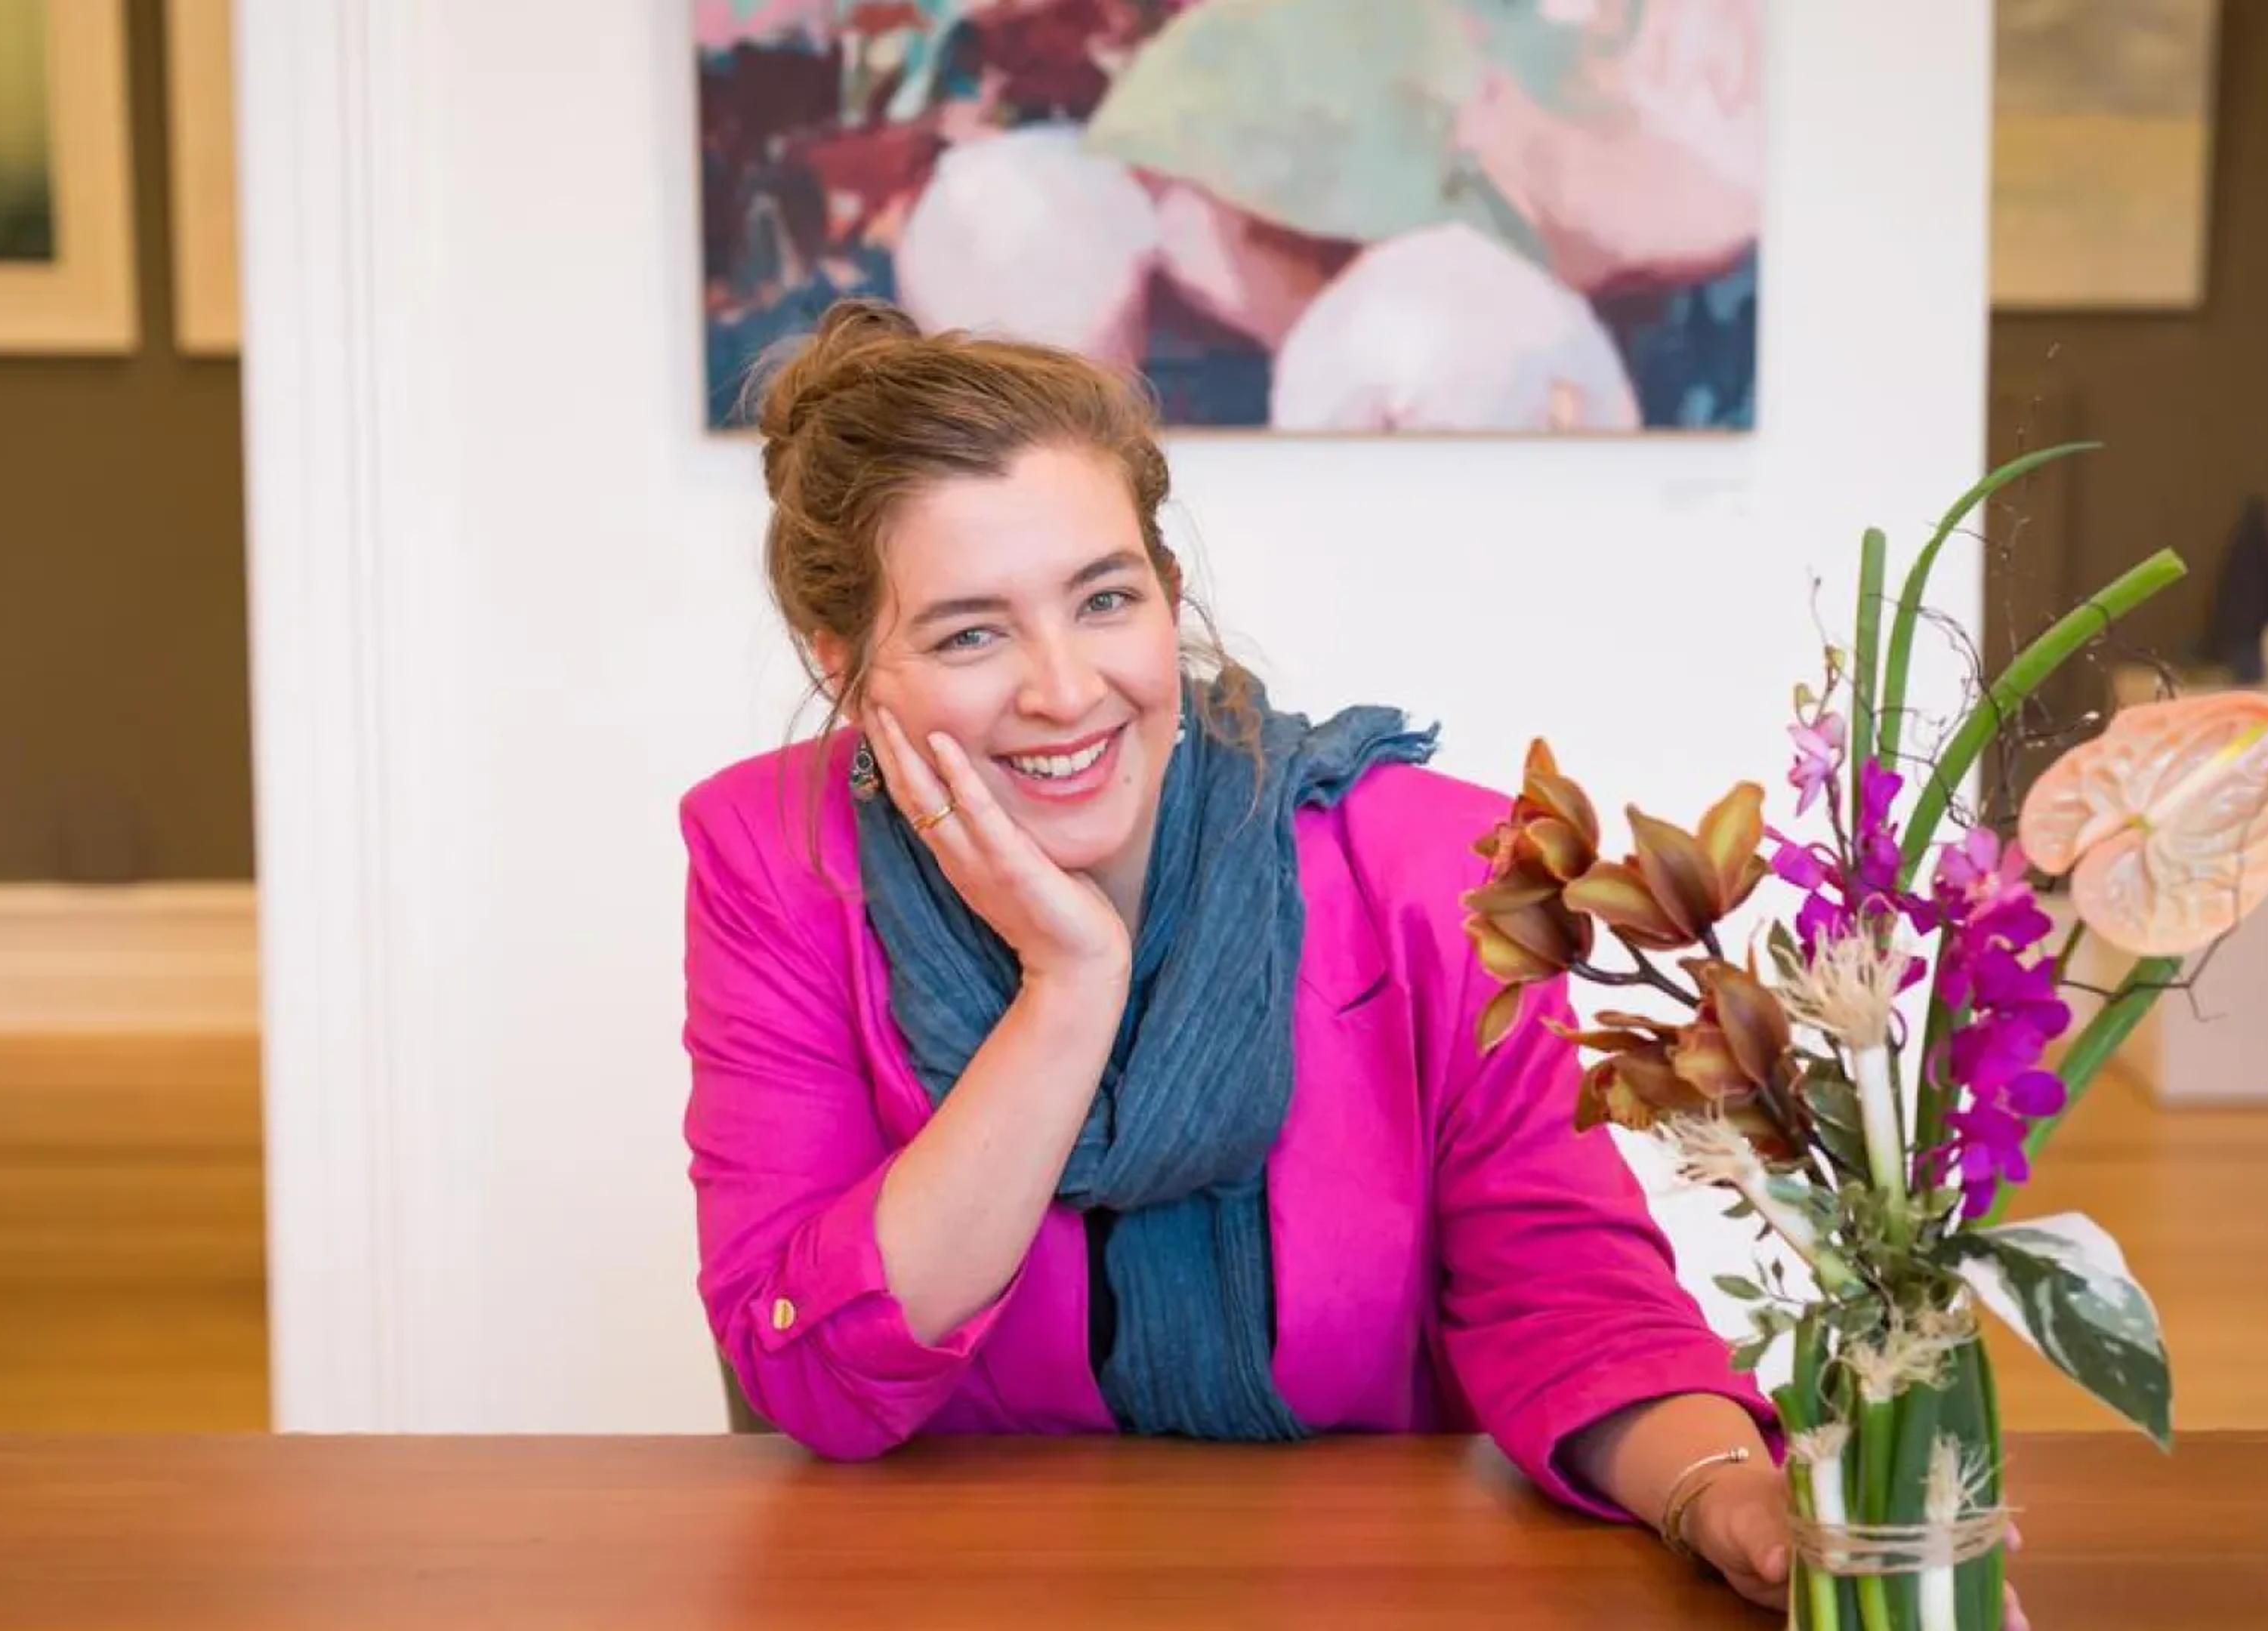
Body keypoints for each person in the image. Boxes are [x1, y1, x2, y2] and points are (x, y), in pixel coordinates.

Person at [678, 298, 1791, 1608]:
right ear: (845, 666)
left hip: (1364, 1591)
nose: (1063, 690)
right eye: (969, 632)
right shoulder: (778, 857)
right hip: (958, 1591)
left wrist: (1729, 1496)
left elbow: (1570, 1297)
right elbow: (808, 1368)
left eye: (1105, 600)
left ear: (1170, 596)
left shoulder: (1433, 865)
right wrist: (1070, 987)